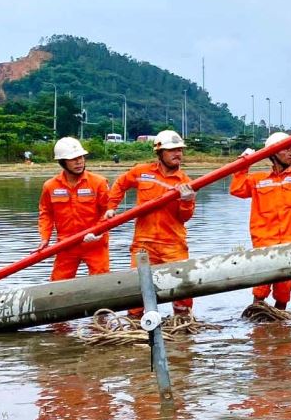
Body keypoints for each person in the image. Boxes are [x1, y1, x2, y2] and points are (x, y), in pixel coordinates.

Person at [230, 121, 291, 309]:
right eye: (286, 149)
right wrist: (243, 164)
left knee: (283, 292)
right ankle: (257, 315)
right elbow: (236, 189)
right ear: (273, 154)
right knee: (260, 289)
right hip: (265, 245)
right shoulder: (258, 181)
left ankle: (279, 327)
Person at [109, 130, 197, 314]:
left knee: (182, 295)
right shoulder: (142, 172)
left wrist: (187, 201)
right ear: (159, 152)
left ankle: (183, 333)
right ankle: (136, 332)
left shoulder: (185, 182)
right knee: (137, 296)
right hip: (143, 243)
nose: (178, 154)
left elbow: (184, 218)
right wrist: (111, 207)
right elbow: (120, 185)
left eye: (180, 150)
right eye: (172, 150)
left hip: (172, 244)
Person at [37, 137, 111, 281]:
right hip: (66, 244)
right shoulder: (50, 186)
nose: (79, 162)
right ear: (62, 162)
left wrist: (98, 231)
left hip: (95, 243)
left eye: (81, 157)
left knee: (102, 284)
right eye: (73, 159)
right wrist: (44, 238)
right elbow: (46, 214)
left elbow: (107, 211)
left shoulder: (98, 182)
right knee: (57, 286)